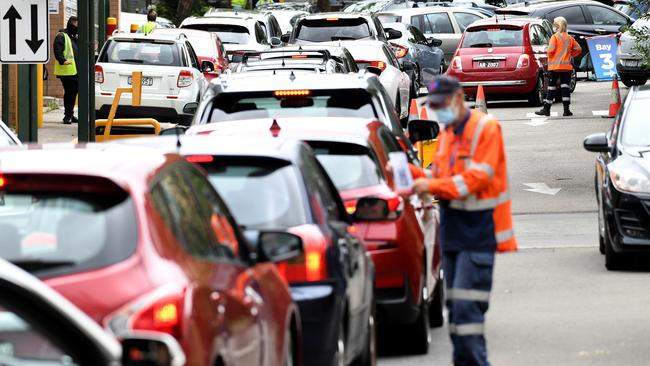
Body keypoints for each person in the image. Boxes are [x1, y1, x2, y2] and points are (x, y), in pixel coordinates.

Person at [395, 75, 517, 366]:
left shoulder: (486, 128)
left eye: (440, 104)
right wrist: (409, 174)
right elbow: (438, 177)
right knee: (456, 316)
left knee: (466, 313)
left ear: (458, 99)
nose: (437, 110)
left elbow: (476, 179)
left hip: (478, 232)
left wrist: (430, 186)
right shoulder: (449, 133)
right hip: (452, 232)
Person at [535, 16, 582, 117]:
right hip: (566, 68)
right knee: (565, 88)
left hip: (554, 68)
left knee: (551, 89)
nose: (553, 26)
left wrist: (547, 51)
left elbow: (551, 51)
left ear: (557, 25)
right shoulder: (570, 38)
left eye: (554, 24)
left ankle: (546, 109)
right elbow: (578, 49)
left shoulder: (554, 37)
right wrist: (570, 55)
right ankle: (566, 110)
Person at [53, 16, 79, 125]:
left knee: (73, 93)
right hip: (67, 71)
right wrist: (62, 60)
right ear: (72, 24)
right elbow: (57, 49)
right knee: (70, 92)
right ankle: (67, 116)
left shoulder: (74, 37)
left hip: (75, 70)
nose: (78, 27)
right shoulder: (62, 36)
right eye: (77, 24)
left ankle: (70, 114)